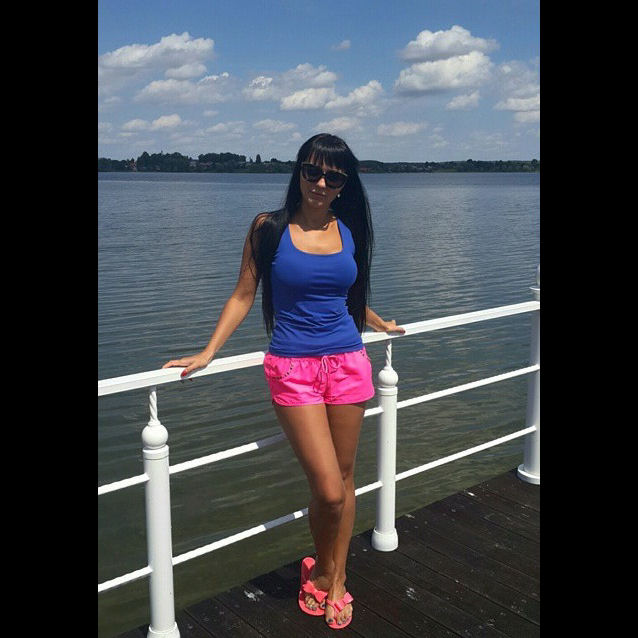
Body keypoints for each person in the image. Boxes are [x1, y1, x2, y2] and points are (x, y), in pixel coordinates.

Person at [162, 133, 405, 629]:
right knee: (329, 490)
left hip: (348, 362)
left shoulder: (349, 228)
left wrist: (377, 322)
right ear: (298, 172)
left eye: (333, 177)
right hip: (293, 368)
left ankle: (333, 577)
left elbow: (346, 292)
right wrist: (209, 351)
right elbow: (243, 294)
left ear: (344, 185)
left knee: (346, 479)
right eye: (312, 172)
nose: (321, 183)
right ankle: (322, 567)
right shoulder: (268, 228)